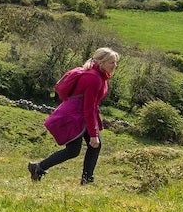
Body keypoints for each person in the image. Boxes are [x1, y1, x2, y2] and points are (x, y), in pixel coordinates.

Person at [29, 47, 118, 185]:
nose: (115, 65)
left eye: (115, 62)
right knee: (73, 150)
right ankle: (39, 167)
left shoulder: (100, 75)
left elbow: (90, 106)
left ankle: (87, 179)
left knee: (94, 146)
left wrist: (94, 133)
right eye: (111, 62)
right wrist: (93, 134)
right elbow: (87, 107)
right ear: (101, 63)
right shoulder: (93, 78)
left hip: (82, 115)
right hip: (74, 117)